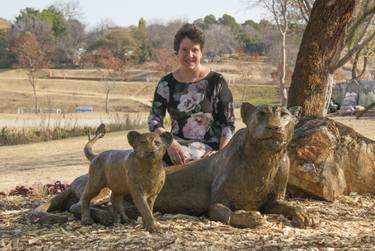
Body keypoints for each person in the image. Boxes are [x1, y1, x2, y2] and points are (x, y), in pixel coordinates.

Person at [148, 23, 235, 165]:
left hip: (211, 152)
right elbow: (154, 120)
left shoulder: (217, 82)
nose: (190, 55)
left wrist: (221, 154)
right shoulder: (166, 84)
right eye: (184, 50)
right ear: (177, 52)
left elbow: (228, 124)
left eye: (195, 50)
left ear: (201, 52)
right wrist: (169, 142)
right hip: (176, 150)